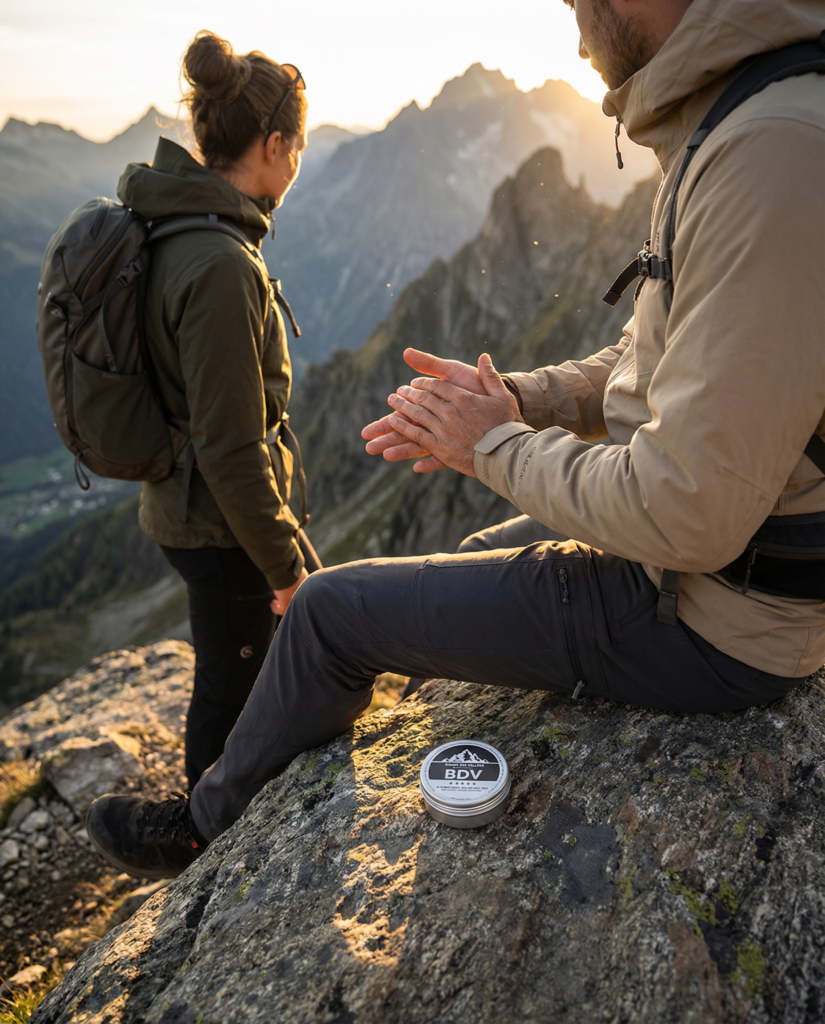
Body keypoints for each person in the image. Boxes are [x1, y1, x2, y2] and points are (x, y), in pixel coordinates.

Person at [87, 0, 824, 881]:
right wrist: (518, 397)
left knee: (326, 613)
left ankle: (202, 834)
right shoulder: (744, 117)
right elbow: (652, 357)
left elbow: (688, 514)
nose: (569, 14)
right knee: (473, 547)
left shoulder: (767, 156)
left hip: (710, 612)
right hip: (703, 584)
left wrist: (494, 446)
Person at [116, 31, 320, 791]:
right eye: (296, 147)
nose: (296, 164)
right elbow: (231, 449)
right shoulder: (221, 266)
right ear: (272, 146)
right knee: (231, 688)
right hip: (218, 524)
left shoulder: (182, 227)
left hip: (195, 508)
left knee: (240, 669)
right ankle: (203, 836)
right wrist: (287, 565)